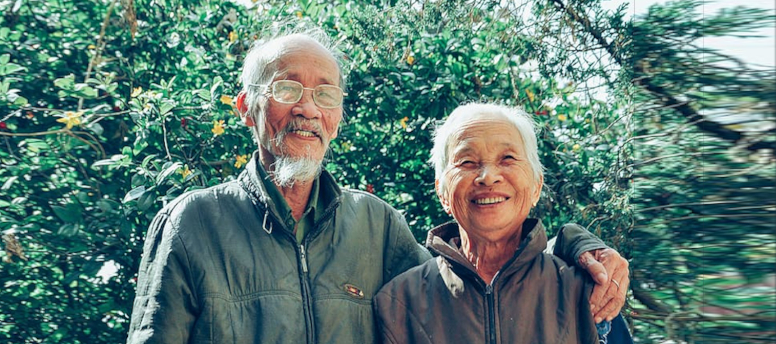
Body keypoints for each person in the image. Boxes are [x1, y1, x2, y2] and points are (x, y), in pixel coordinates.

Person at [127, 25, 629, 344]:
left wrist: (577, 245)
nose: (306, 107)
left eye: (325, 93)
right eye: (285, 88)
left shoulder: (376, 225)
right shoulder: (193, 224)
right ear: (247, 108)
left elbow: (474, 289)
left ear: (338, 116)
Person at [373, 103, 633, 343]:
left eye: (507, 159)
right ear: (442, 192)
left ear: (536, 187)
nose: (488, 177)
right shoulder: (399, 301)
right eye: (467, 162)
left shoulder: (587, 289)